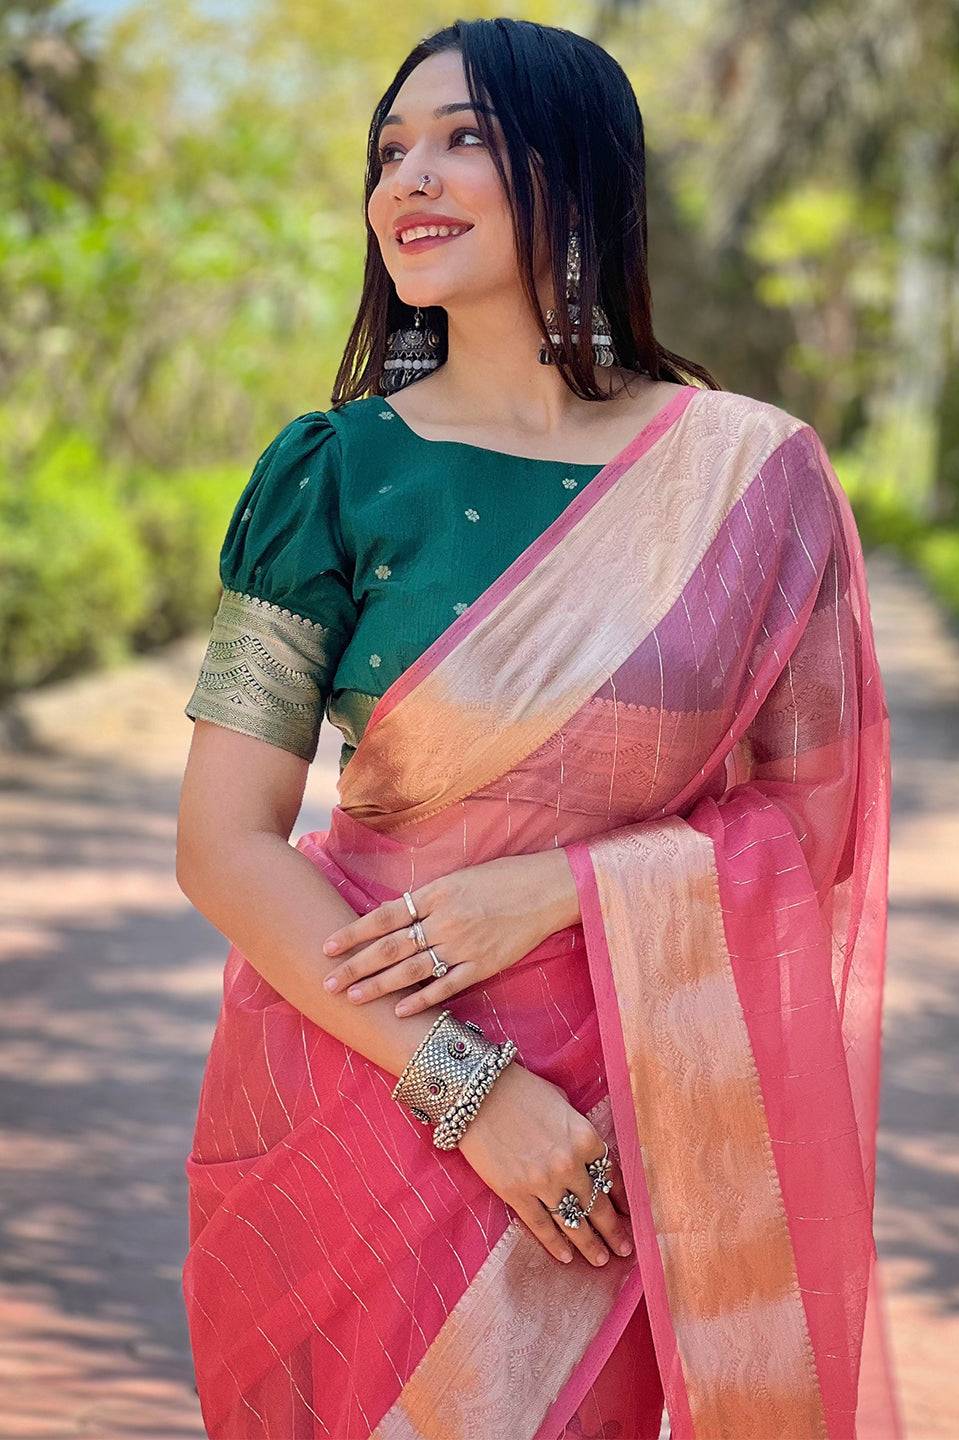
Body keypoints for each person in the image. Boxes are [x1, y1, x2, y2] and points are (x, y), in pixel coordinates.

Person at [176, 17, 902, 1440]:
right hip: (367, 1097)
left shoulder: (750, 481)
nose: (408, 181)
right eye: (391, 150)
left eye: (463, 140)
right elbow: (222, 843)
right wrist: (469, 1085)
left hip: (649, 1125)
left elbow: (815, 822)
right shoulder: (333, 475)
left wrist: (563, 891)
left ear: (578, 175)